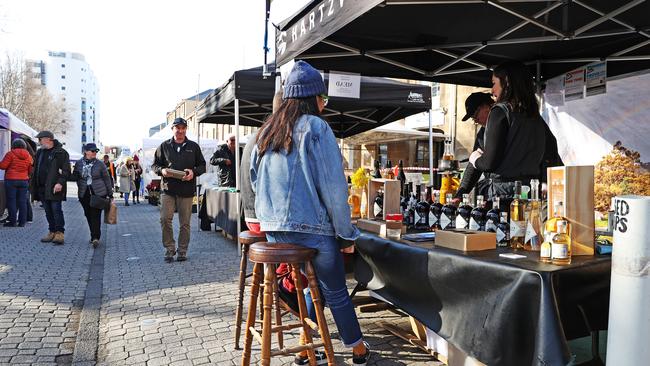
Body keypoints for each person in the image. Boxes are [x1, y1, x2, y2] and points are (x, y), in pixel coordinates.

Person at [250, 60, 370, 365]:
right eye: (324, 98)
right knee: (335, 288)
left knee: (311, 280)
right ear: (313, 98)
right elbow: (333, 188)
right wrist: (346, 233)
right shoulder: (316, 127)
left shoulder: (267, 130)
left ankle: (305, 344)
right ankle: (357, 348)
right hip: (311, 232)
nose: (324, 104)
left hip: (275, 231)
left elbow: (253, 179)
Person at [469, 61, 561, 203]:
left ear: (506, 82)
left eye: (494, 83)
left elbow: (489, 163)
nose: (492, 91)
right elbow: (551, 146)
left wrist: (475, 159)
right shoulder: (534, 116)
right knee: (528, 224)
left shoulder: (500, 111)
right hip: (530, 192)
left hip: (504, 194)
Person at [152, 117, 206, 262]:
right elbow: (154, 165)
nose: (180, 131)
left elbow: (202, 165)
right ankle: (170, 249)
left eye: (183, 128)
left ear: (186, 129)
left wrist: (193, 172)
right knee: (164, 220)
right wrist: (161, 170)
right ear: (173, 129)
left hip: (186, 190)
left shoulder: (193, 146)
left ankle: (182, 251)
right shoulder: (164, 146)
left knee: (185, 223)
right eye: (178, 128)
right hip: (168, 190)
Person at [70, 143, 113, 247]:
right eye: (92, 151)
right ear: (86, 151)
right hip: (84, 193)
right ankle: (93, 235)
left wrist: (110, 194)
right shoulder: (79, 163)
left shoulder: (100, 164)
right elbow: (75, 177)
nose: (95, 153)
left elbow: (107, 179)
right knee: (88, 214)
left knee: (95, 215)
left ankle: (95, 237)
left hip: (98, 193)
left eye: (96, 151)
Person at [454, 92, 494, 201]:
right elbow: (473, 167)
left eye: (475, 115)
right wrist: (460, 194)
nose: (475, 120)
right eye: (473, 118)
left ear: (487, 106)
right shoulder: (482, 134)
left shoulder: (509, 124)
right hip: (493, 190)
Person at [32, 130, 70, 245]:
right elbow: (36, 168)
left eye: (40, 139)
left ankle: (59, 233)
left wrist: (60, 183)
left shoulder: (61, 152)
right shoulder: (40, 152)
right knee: (48, 211)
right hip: (42, 187)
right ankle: (52, 231)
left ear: (49, 139)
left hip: (55, 187)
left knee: (56, 210)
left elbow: (66, 171)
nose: (39, 142)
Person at [0, 139, 33, 227]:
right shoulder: (29, 156)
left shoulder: (10, 154)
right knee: (22, 201)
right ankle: (22, 222)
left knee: (12, 201)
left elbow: (3, 166)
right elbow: (30, 170)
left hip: (11, 180)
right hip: (24, 181)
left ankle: (12, 221)